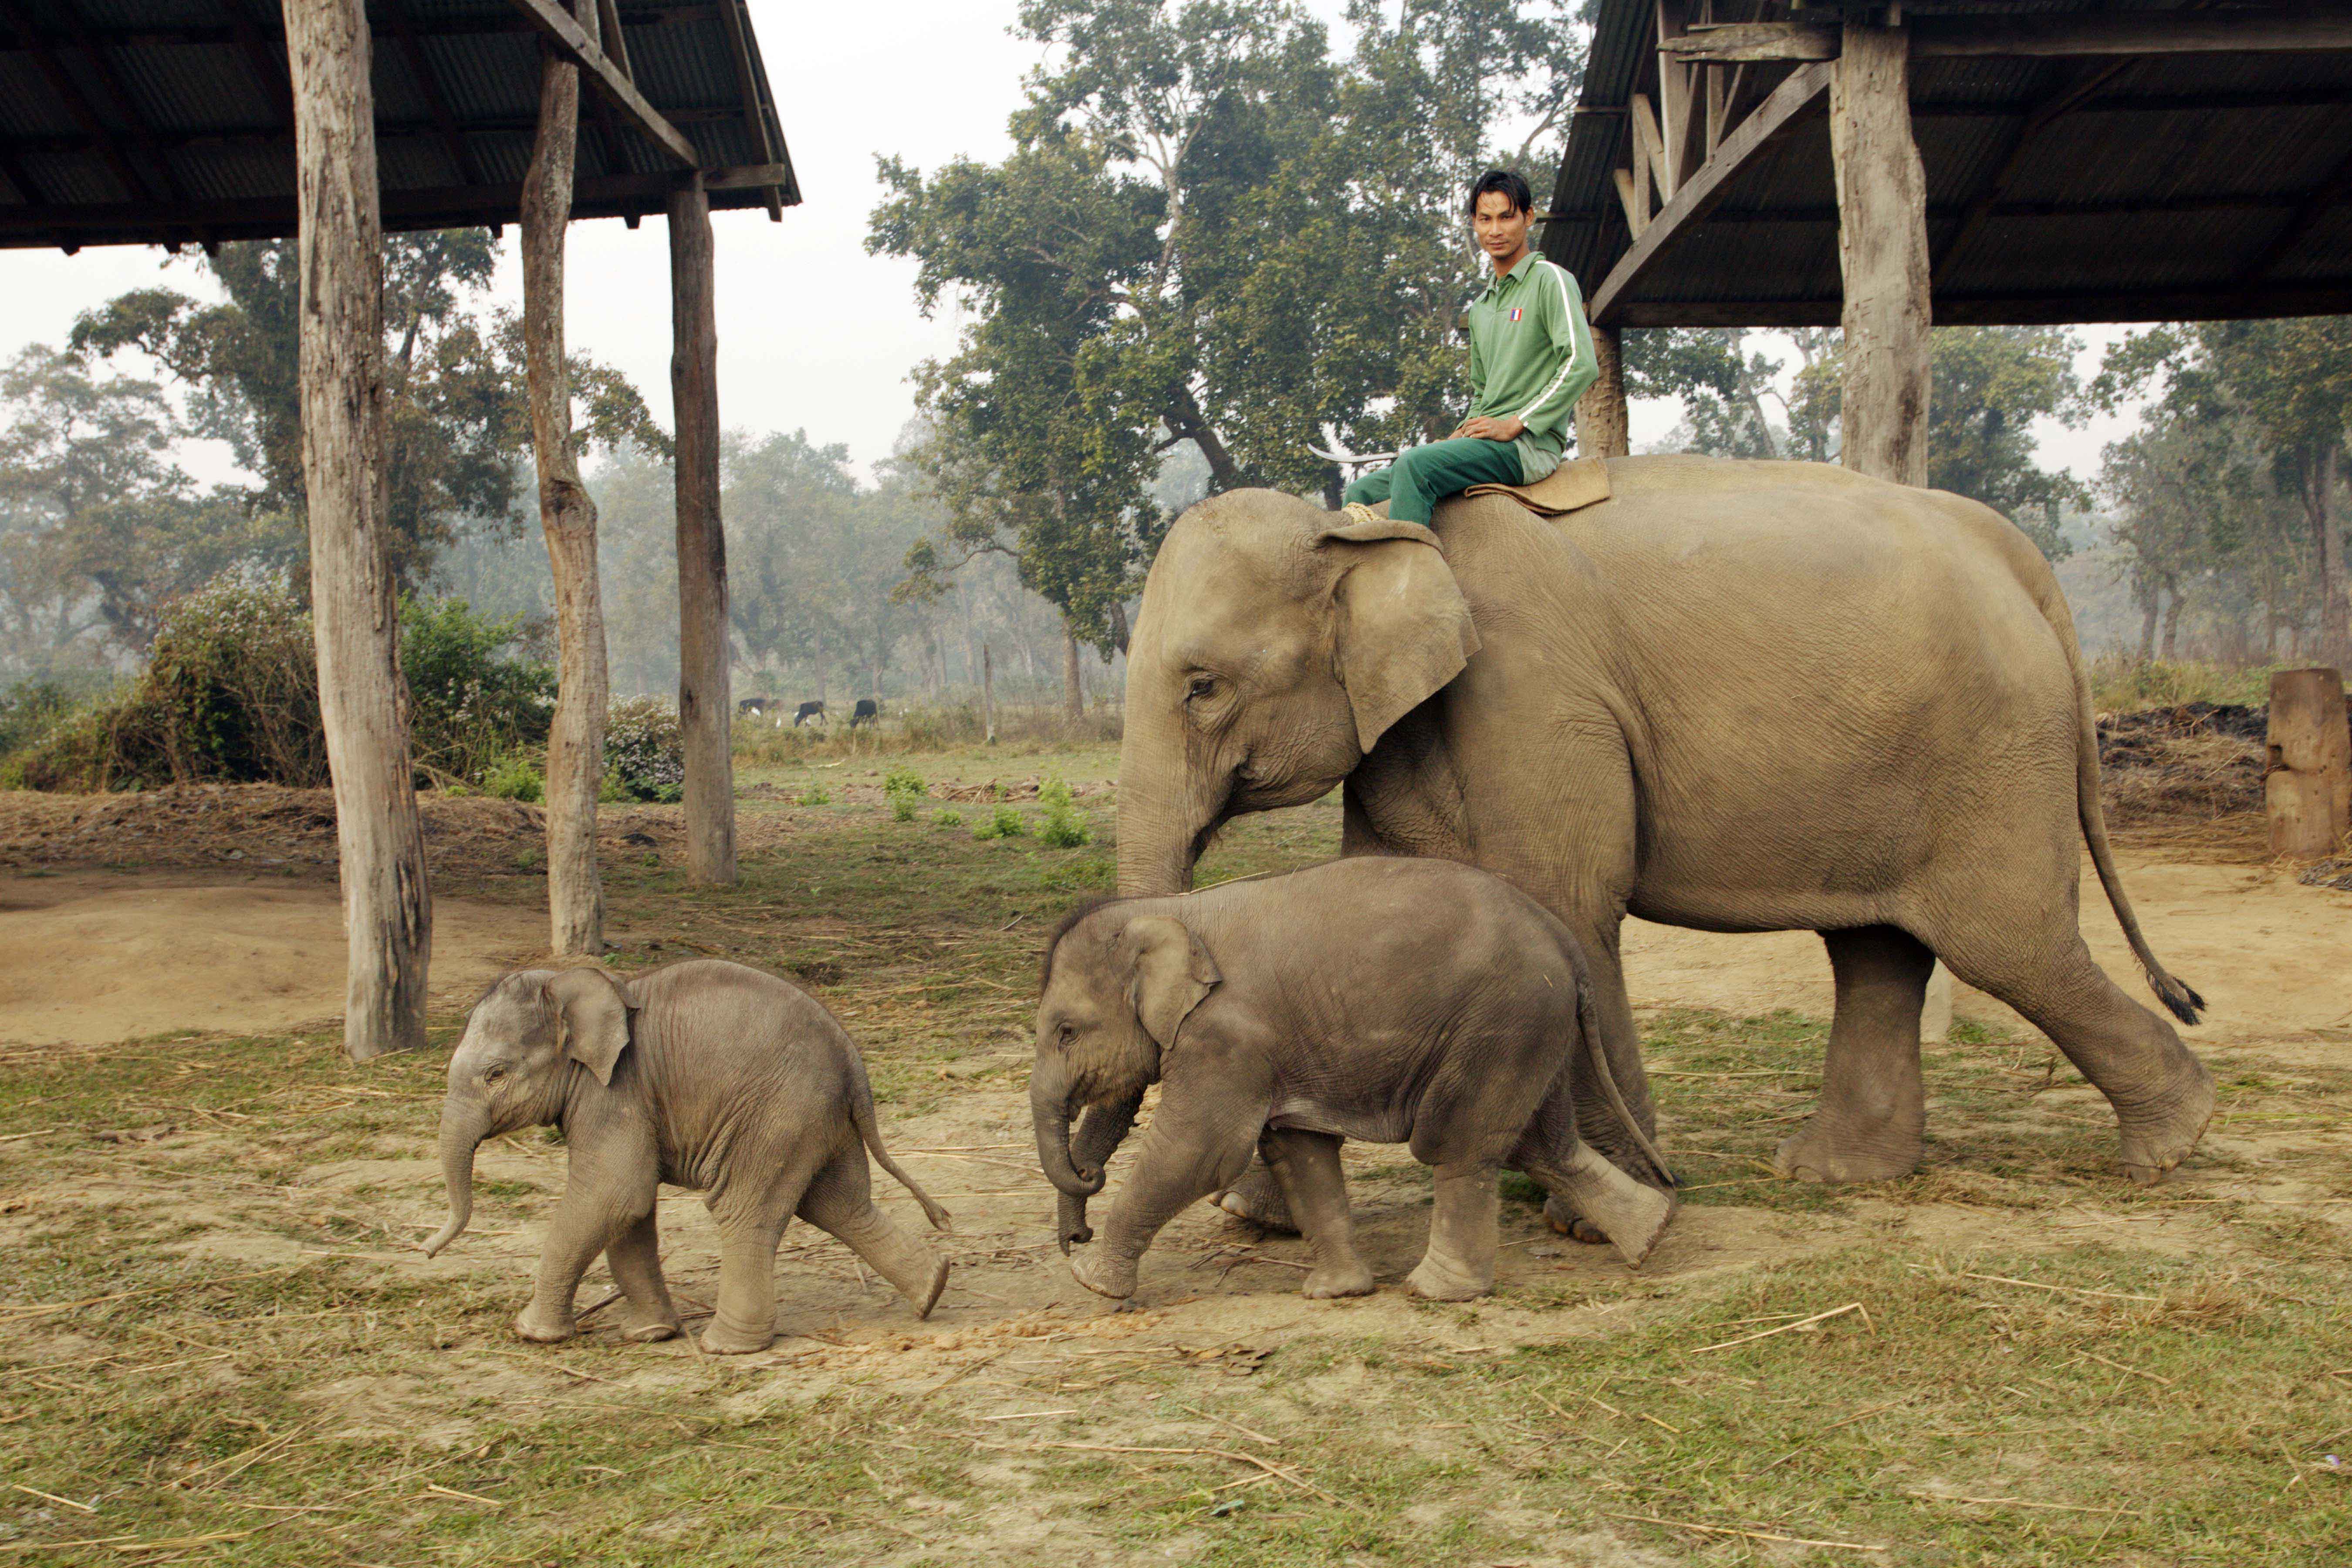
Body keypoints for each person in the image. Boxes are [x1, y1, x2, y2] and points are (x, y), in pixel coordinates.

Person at [1342, 169, 1599, 527]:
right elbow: (1482, 391)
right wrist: (1461, 431)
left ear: (1528, 217)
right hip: (1485, 442)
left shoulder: (1550, 280)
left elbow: (1580, 363)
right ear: (1474, 225)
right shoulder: (1481, 307)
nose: (1496, 230)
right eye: (1486, 219)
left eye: (1507, 217)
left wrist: (1516, 423)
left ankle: (1415, 581)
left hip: (1525, 447)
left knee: (1415, 466)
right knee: (1361, 493)